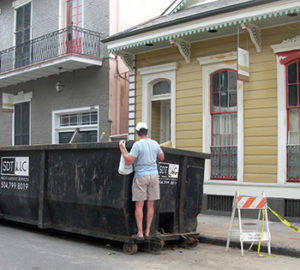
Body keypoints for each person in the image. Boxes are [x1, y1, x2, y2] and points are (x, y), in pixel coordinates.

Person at [119, 122, 164, 240]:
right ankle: (148, 230)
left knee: (139, 205)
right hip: (154, 176)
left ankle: (140, 232)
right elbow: (162, 157)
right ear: (147, 131)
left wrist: (122, 148)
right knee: (151, 204)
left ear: (137, 133)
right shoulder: (155, 143)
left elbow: (129, 161)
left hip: (141, 176)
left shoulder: (137, 145)